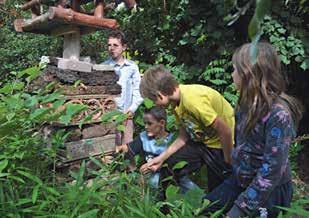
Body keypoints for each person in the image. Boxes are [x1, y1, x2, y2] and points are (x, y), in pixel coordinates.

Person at [203, 42, 303, 218]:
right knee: (204, 209)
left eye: (235, 69)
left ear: (248, 73)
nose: (232, 74)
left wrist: (241, 207)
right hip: (242, 180)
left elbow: (271, 171)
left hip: (269, 190)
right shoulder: (244, 105)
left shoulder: (278, 115)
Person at [139, 65, 235, 192]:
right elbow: (183, 137)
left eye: (153, 100)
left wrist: (228, 158)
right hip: (203, 142)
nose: (154, 104)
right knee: (170, 165)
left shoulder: (192, 101)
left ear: (160, 95)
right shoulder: (175, 104)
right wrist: (160, 159)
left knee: (218, 192)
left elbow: (225, 130)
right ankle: (165, 208)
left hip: (221, 145)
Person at [116, 106, 198, 192]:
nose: (146, 127)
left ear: (162, 123)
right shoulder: (144, 138)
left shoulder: (174, 141)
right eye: (145, 123)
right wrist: (120, 148)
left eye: (150, 123)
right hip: (151, 183)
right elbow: (128, 148)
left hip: (173, 182)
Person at [103, 30, 143, 145]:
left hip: (126, 115)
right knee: (110, 149)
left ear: (124, 47)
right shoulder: (103, 67)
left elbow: (138, 90)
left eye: (115, 45)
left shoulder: (132, 67)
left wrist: (132, 109)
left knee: (128, 149)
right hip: (109, 116)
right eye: (109, 45)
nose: (111, 48)